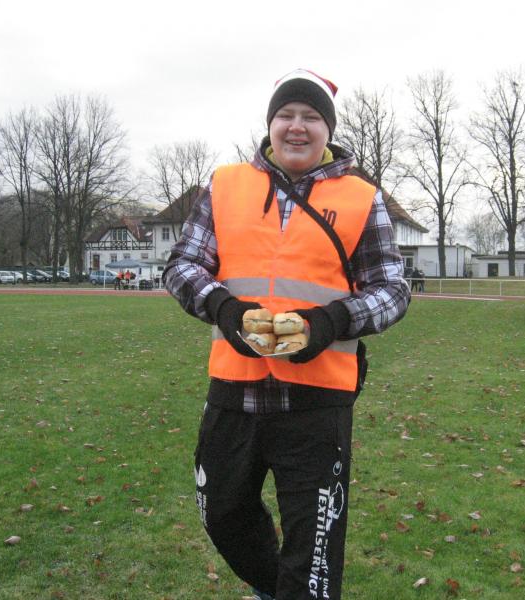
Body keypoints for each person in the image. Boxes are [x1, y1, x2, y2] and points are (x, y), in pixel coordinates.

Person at [163, 68, 410, 600]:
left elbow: (392, 290)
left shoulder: (362, 197)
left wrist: (329, 323)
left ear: (328, 130)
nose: (297, 127)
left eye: (311, 117)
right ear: (270, 124)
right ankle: (277, 589)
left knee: (313, 544)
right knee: (221, 511)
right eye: (287, 115)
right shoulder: (226, 185)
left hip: (318, 401)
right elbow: (183, 266)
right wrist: (225, 309)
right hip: (235, 391)